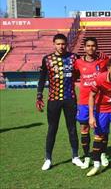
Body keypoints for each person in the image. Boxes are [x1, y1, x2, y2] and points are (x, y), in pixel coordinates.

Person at [36, 33, 84, 171]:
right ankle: (48, 158)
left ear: (67, 44)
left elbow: (84, 72)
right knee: (52, 129)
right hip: (53, 100)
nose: (61, 46)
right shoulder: (47, 59)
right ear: (54, 44)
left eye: (63, 44)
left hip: (70, 99)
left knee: (72, 129)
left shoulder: (74, 58)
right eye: (58, 44)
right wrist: (39, 96)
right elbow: (42, 79)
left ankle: (75, 156)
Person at [74, 37, 109, 169]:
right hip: (83, 102)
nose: (91, 48)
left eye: (93, 46)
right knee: (84, 129)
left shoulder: (104, 61)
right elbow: (72, 76)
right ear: (84, 48)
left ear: (97, 47)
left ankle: (103, 154)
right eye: (88, 46)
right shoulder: (78, 63)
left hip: (100, 102)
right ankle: (87, 156)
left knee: (101, 129)